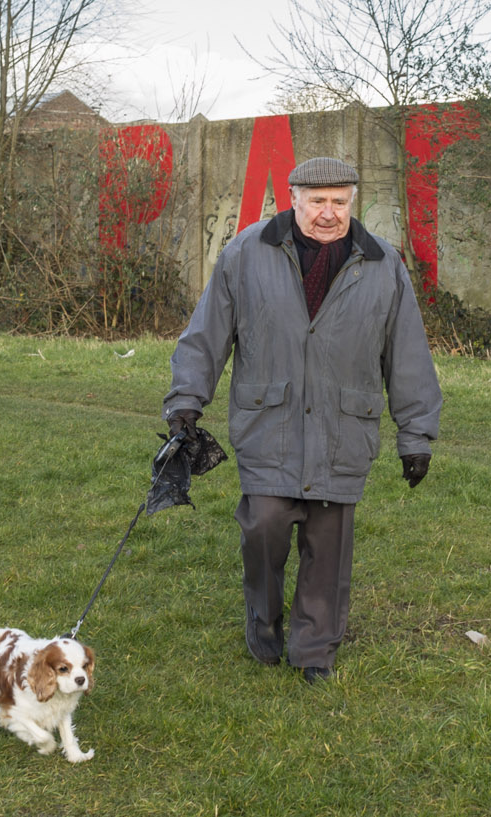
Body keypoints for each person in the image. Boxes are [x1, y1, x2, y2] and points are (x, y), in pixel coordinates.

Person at [163, 156, 443, 683]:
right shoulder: (246, 253)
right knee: (263, 529)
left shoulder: (383, 264)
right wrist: (185, 405)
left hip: (344, 429)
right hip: (270, 426)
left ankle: (315, 650)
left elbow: (407, 355)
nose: (329, 213)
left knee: (327, 548)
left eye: (340, 202)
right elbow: (206, 336)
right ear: (292, 199)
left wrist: (416, 434)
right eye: (318, 201)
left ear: (352, 203)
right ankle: (263, 625)